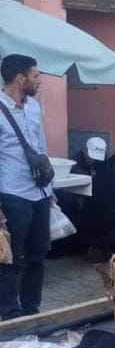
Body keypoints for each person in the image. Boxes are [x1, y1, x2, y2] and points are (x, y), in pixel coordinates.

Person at [0, 54, 50, 320]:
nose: (39, 80)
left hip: (39, 194)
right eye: (35, 75)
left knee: (37, 257)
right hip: (11, 195)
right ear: (20, 78)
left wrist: (49, 192)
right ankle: (9, 316)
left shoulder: (33, 107)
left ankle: (32, 312)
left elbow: (41, 148)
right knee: (10, 260)